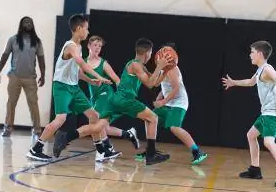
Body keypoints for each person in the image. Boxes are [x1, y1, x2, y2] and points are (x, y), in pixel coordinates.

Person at [53, 38, 173, 166]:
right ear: (147, 52)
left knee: (99, 127)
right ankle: (150, 154)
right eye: (151, 52)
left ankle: (66, 137)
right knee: (153, 118)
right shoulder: (135, 65)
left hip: (117, 100)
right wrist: (159, 66)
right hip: (126, 100)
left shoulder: (139, 65)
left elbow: (154, 82)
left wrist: (164, 70)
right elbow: (149, 84)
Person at [26, 14, 119, 161]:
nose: (88, 32)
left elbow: (78, 71)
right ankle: (36, 148)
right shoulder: (71, 46)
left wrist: (91, 80)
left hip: (74, 88)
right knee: (60, 119)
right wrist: (100, 76)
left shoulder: (79, 47)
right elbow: (82, 63)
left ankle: (101, 151)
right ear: (79, 28)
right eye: (86, 29)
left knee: (94, 116)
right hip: (62, 87)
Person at [222, 40, 276, 187]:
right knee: (251, 135)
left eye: (252, 52)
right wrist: (233, 82)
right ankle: (255, 170)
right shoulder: (260, 70)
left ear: (260, 54)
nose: (250, 55)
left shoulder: (267, 69)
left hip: (273, 111)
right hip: (267, 111)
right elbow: (250, 82)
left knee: (268, 141)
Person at [135, 43, 207, 165]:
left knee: (174, 127)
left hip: (179, 103)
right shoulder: (163, 68)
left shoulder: (172, 68)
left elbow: (176, 88)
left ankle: (197, 152)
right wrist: (159, 99)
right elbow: (160, 86)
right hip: (169, 102)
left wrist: (162, 102)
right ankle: (150, 151)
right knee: (149, 118)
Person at [83, 35, 140, 161]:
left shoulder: (103, 64)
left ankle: (105, 150)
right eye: (95, 45)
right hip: (95, 97)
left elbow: (116, 79)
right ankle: (128, 134)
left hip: (106, 94)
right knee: (104, 128)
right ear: (88, 46)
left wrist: (123, 94)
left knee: (95, 122)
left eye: (100, 46)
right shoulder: (83, 62)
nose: (98, 48)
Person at [0, 16, 45, 137]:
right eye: (25, 22)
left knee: (33, 103)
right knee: (11, 102)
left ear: (32, 25)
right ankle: (8, 127)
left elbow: (41, 59)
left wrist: (43, 75)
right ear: (21, 25)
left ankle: (37, 129)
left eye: (30, 22)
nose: (28, 23)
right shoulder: (13, 39)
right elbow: (5, 55)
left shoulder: (37, 41)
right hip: (15, 77)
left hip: (30, 78)